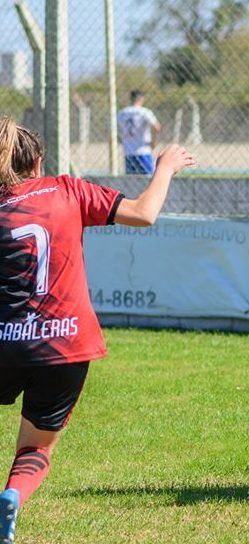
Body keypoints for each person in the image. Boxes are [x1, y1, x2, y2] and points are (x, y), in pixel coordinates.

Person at [0, 116, 195, 543]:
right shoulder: (68, 189)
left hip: (4, 342)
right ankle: (13, 494)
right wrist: (164, 167)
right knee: (35, 448)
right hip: (64, 346)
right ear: (38, 163)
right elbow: (144, 214)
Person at [117, 90, 161, 175]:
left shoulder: (122, 113)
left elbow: (117, 128)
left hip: (128, 151)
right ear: (141, 99)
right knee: (148, 179)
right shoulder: (144, 112)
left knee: (131, 181)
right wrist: (154, 141)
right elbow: (157, 127)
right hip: (143, 150)